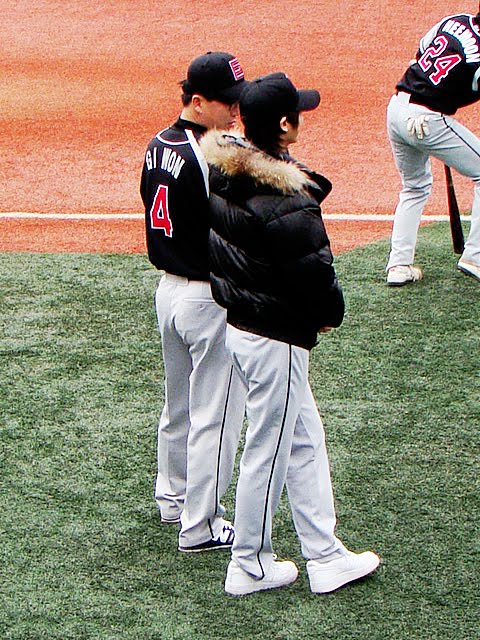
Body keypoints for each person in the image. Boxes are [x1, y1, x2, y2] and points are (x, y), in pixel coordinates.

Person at [200, 72, 380, 595]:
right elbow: (313, 271)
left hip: (246, 326)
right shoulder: (285, 197)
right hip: (274, 335)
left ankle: (324, 555)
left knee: (302, 439)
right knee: (269, 448)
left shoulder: (227, 173)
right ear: (283, 125)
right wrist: (328, 313)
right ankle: (248, 564)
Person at [139, 52, 247, 552]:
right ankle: (200, 524)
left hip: (168, 292)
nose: (235, 110)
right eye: (227, 102)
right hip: (207, 298)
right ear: (197, 101)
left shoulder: (157, 145)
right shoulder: (209, 154)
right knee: (215, 415)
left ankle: (173, 498)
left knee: (178, 405)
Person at [386, 10, 480, 286]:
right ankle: (475, 256)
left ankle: (399, 265)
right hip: (428, 120)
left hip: (397, 108)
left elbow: (421, 52)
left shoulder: (456, 20)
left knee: (414, 186)